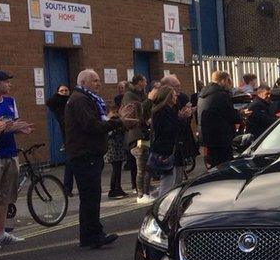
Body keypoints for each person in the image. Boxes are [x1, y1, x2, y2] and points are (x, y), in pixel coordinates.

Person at [65, 69, 133, 248]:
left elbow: (98, 122)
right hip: (85, 154)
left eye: (98, 80)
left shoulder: (87, 99)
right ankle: (93, 235)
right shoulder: (80, 100)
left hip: (89, 153)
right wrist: (119, 122)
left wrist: (115, 120)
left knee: (91, 196)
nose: (98, 83)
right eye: (94, 80)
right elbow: (92, 125)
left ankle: (89, 235)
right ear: (83, 82)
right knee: (91, 196)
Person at [0, 71, 33, 250]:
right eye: (5, 81)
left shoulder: (11, 102)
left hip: (10, 153)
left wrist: (20, 128)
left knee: (5, 195)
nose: (8, 85)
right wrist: (3, 128)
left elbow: (11, 125)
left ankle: (0, 233)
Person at [148, 86, 194, 197]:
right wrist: (182, 118)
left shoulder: (167, 110)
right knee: (167, 182)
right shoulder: (162, 111)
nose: (176, 97)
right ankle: (162, 206)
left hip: (170, 149)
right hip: (166, 151)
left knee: (172, 181)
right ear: (168, 97)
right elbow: (170, 130)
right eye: (173, 95)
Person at [198, 71, 242, 168]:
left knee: (213, 166)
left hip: (207, 137)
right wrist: (240, 114)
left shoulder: (203, 94)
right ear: (223, 80)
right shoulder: (221, 95)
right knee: (224, 166)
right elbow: (231, 115)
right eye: (229, 81)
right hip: (221, 139)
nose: (230, 84)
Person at [120, 75, 153, 201]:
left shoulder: (140, 94)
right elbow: (137, 110)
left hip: (144, 133)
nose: (146, 83)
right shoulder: (129, 95)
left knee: (145, 166)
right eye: (144, 81)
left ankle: (145, 191)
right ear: (139, 82)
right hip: (136, 136)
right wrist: (149, 100)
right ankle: (141, 195)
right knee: (141, 167)